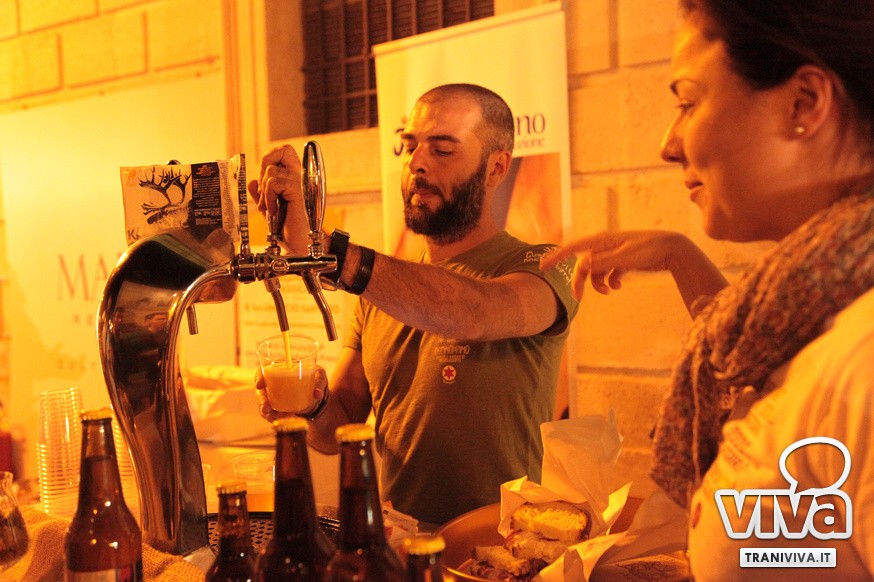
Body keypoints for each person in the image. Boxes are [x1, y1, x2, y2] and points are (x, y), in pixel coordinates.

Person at [541, 1, 874, 579]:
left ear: (803, 104)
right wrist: (680, 255)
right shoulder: (818, 298)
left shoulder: (862, 360)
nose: (669, 144)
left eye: (689, 102)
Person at [249, 83, 579, 526]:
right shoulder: (382, 290)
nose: (416, 164)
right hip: (402, 543)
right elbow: (337, 430)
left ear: (496, 167)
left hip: (503, 546)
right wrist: (309, 404)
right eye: (409, 147)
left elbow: (475, 313)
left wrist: (329, 252)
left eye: (442, 150)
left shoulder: (544, 263)